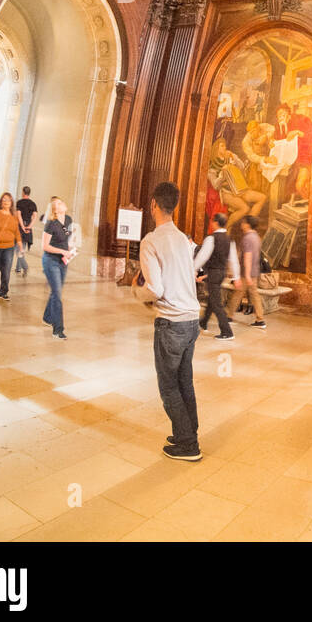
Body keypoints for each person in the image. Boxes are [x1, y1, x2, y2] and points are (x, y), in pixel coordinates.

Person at [133, 181, 204, 461]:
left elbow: (155, 289)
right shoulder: (183, 239)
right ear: (173, 206)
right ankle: (188, 432)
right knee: (184, 381)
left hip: (171, 323)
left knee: (168, 386)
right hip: (190, 321)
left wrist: (136, 292)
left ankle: (187, 444)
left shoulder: (151, 241)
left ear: (153, 204)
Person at [193, 212, 239, 340]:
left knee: (216, 302)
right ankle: (203, 323)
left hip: (213, 273)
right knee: (213, 299)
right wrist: (236, 277)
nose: (211, 223)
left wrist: (193, 269)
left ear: (216, 223)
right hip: (222, 273)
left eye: (212, 221)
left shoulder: (211, 238)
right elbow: (233, 260)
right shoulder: (230, 240)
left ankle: (227, 332)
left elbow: (202, 256)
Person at [41, 197, 75, 338]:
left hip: (63, 261)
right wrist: (62, 251)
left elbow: (67, 238)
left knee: (56, 291)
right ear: (54, 209)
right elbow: (45, 246)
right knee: (57, 295)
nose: (62, 203)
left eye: (62, 201)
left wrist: (70, 249)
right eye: (59, 203)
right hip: (50, 261)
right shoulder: (50, 224)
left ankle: (47, 317)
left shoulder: (68, 219)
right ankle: (58, 329)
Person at [225, 214, 267, 328]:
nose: (242, 224)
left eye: (243, 222)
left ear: (248, 224)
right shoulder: (257, 237)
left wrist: (247, 275)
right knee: (253, 295)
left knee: (238, 293)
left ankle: (229, 316)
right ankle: (260, 319)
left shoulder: (247, 238)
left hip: (247, 272)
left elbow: (248, 256)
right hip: (255, 271)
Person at [14, 186, 38, 277]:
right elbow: (35, 217)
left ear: (23, 192)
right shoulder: (33, 204)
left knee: (18, 249)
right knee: (22, 247)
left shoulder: (19, 202)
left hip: (20, 226)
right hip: (28, 226)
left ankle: (25, 267)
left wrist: (22, 226)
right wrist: (29, 227)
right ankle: (18, 268)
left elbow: (19, 215)